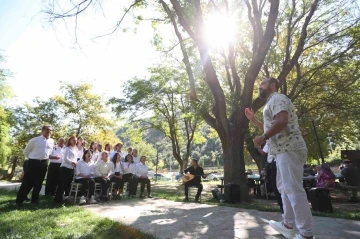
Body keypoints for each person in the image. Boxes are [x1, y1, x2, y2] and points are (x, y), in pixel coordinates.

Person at [245, 77, 315, 239]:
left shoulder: (277, 98)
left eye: (262, 84)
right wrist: (253, 120)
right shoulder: (271, 103)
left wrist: (262, 138)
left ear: (273, 85)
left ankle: (306, 234)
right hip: (281, 151)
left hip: (289, 149)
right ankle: (288, 224)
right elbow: (272, 127)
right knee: (284, 188)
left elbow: (282, 121)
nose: (259, 87)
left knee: (293, 189)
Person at [16, 125, 55, 206]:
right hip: (32, 163)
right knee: (27, 182)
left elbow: (49, 153)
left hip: (44, 163)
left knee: (39, 183)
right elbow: (26, 152)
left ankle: (34, 200)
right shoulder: (35, 140)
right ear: (43, 130)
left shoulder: (51, 141)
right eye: (47, 130)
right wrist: (32, 159)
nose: (49, 132)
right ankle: (19, 201)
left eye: (51, 130)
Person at [54, 136, 78, 203]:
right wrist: (72, 162)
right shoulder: (67, 148)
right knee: (62, 184)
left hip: (71, 168)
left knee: (68, 184)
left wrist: (75, 162)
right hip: (65, 168)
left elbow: (75, 158)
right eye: (73, 140)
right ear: (70, 140)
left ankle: (64, 198)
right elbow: (65, 159)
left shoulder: (75, 149)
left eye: (76, 140)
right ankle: (57, 199)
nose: (75, 141)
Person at [262, 142, 283, 212]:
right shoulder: (269, 140)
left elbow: (263, 152)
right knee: (278, 185)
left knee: (276, 185)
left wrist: (257, 146)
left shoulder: (270, 140)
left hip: (274, 163)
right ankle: (283, 206)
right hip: (274, 163)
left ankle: (282, 206)